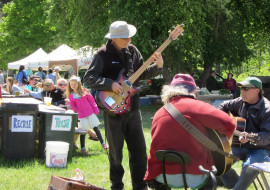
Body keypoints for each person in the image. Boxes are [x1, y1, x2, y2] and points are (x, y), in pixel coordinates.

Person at [83, 20, 164, 190]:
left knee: (140, 152)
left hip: (133, 109)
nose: (129, 40)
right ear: (114, 38)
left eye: (129, 37)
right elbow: (89, 78)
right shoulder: (102, 54)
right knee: (115, 154)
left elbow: (142, 72)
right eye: (125, 38)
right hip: (113, 112)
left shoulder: (133, 51)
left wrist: (158, 67)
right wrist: (109, 84)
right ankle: (117, 186)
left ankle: (140, 186)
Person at [144, 73, 235, 190]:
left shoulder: (159, 113)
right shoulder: (198, 106)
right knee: (209, 181)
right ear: (193, 91)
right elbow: (229, 124)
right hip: (195, 174)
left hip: (161, 174)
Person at [219, 76, 270, 190]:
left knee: (250, 168)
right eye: (241, 88)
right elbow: (223, 106)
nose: (242, 91)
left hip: (262, 148)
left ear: (257, 91)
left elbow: (268, 136)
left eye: (246, 88)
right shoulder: (240, 101)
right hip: (240, 145)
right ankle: (235, 185)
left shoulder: (267, 109)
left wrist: (250, 137)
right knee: (219, 158)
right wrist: (226, 122)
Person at [66, 76, 108, 154]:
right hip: (81, 115)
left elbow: (92, 101)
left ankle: (103, 143)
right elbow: (72, 105)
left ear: (78, 84)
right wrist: (73, 109)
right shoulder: (71, 96)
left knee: (96, 128)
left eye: (75, 84)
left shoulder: (84, 92)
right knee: (83, 131)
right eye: (71, 84)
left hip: (90, 113)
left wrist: (95, 109)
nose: (73, 86)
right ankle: (83, 147)